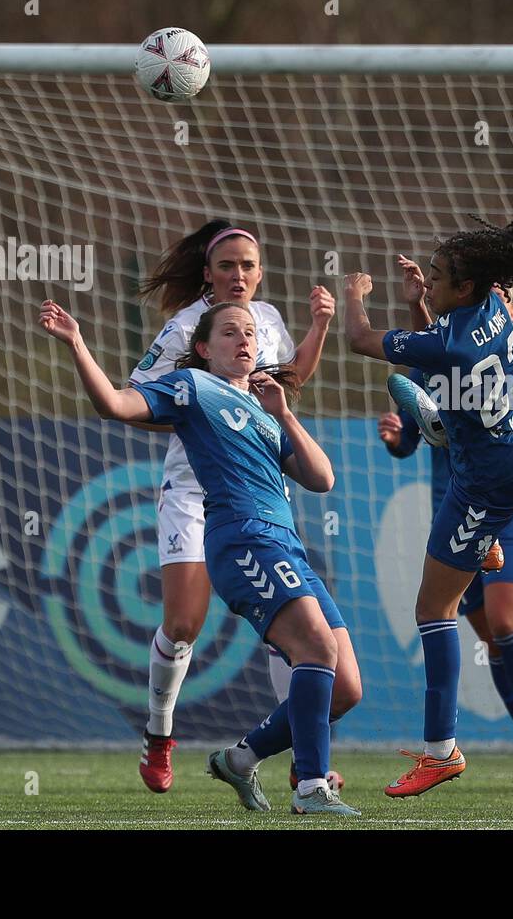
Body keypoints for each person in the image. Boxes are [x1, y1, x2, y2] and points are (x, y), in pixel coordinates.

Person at [40, 297, 360, 815]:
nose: (245, 341)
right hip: (243, 538)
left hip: (288, 545)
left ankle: (240, 760)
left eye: (251, 334)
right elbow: (116, 405)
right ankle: (309, 788)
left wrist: (284, 415)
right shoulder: (192, 387)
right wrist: (77, 343)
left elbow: (322, 478)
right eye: (231, 333)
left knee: (344, 690)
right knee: (316, 651)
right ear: (205, 349)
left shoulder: (264, 406)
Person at [345, 217, 513, 797]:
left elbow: (360, 341)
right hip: (511, 457)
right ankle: (481, 530)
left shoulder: (447, 339)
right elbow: (443, 348)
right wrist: (422, 302)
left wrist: (352, 300)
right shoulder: (493, 306)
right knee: (464, 604)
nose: (431, 280)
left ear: (465, 287)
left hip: (482, 485)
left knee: (432, 610)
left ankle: (440, 752)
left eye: (439, 276)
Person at [126, 220, 340, 793]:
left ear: (260, 272)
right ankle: (159, 731)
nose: (238, 275)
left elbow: (286, 382)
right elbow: (139, 392)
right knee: (183, 622)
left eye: (248, 265)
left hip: (257, 485)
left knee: (292, 630)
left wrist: (320, 325)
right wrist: (205, 419)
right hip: (194, 490)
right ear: (208, 275)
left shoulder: (264, 320)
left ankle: (302, 759)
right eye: (227, 266)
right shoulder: (181, 329)